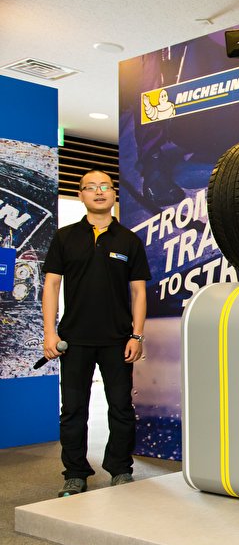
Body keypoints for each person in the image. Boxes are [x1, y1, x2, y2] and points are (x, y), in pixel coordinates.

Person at [42, 170, 151, 497]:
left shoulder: (129, 240)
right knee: (73, 410)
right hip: (74, 340)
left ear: (114, 193)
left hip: (118, 341)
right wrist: (49, 333)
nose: (99, 191)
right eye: (90, 187)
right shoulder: (65, 237)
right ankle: (75, 473)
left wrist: (137, 335)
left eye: (105, 186)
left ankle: (120, 469)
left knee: (121, 408)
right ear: (81, 195)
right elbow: (51, 285)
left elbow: (139, 292)